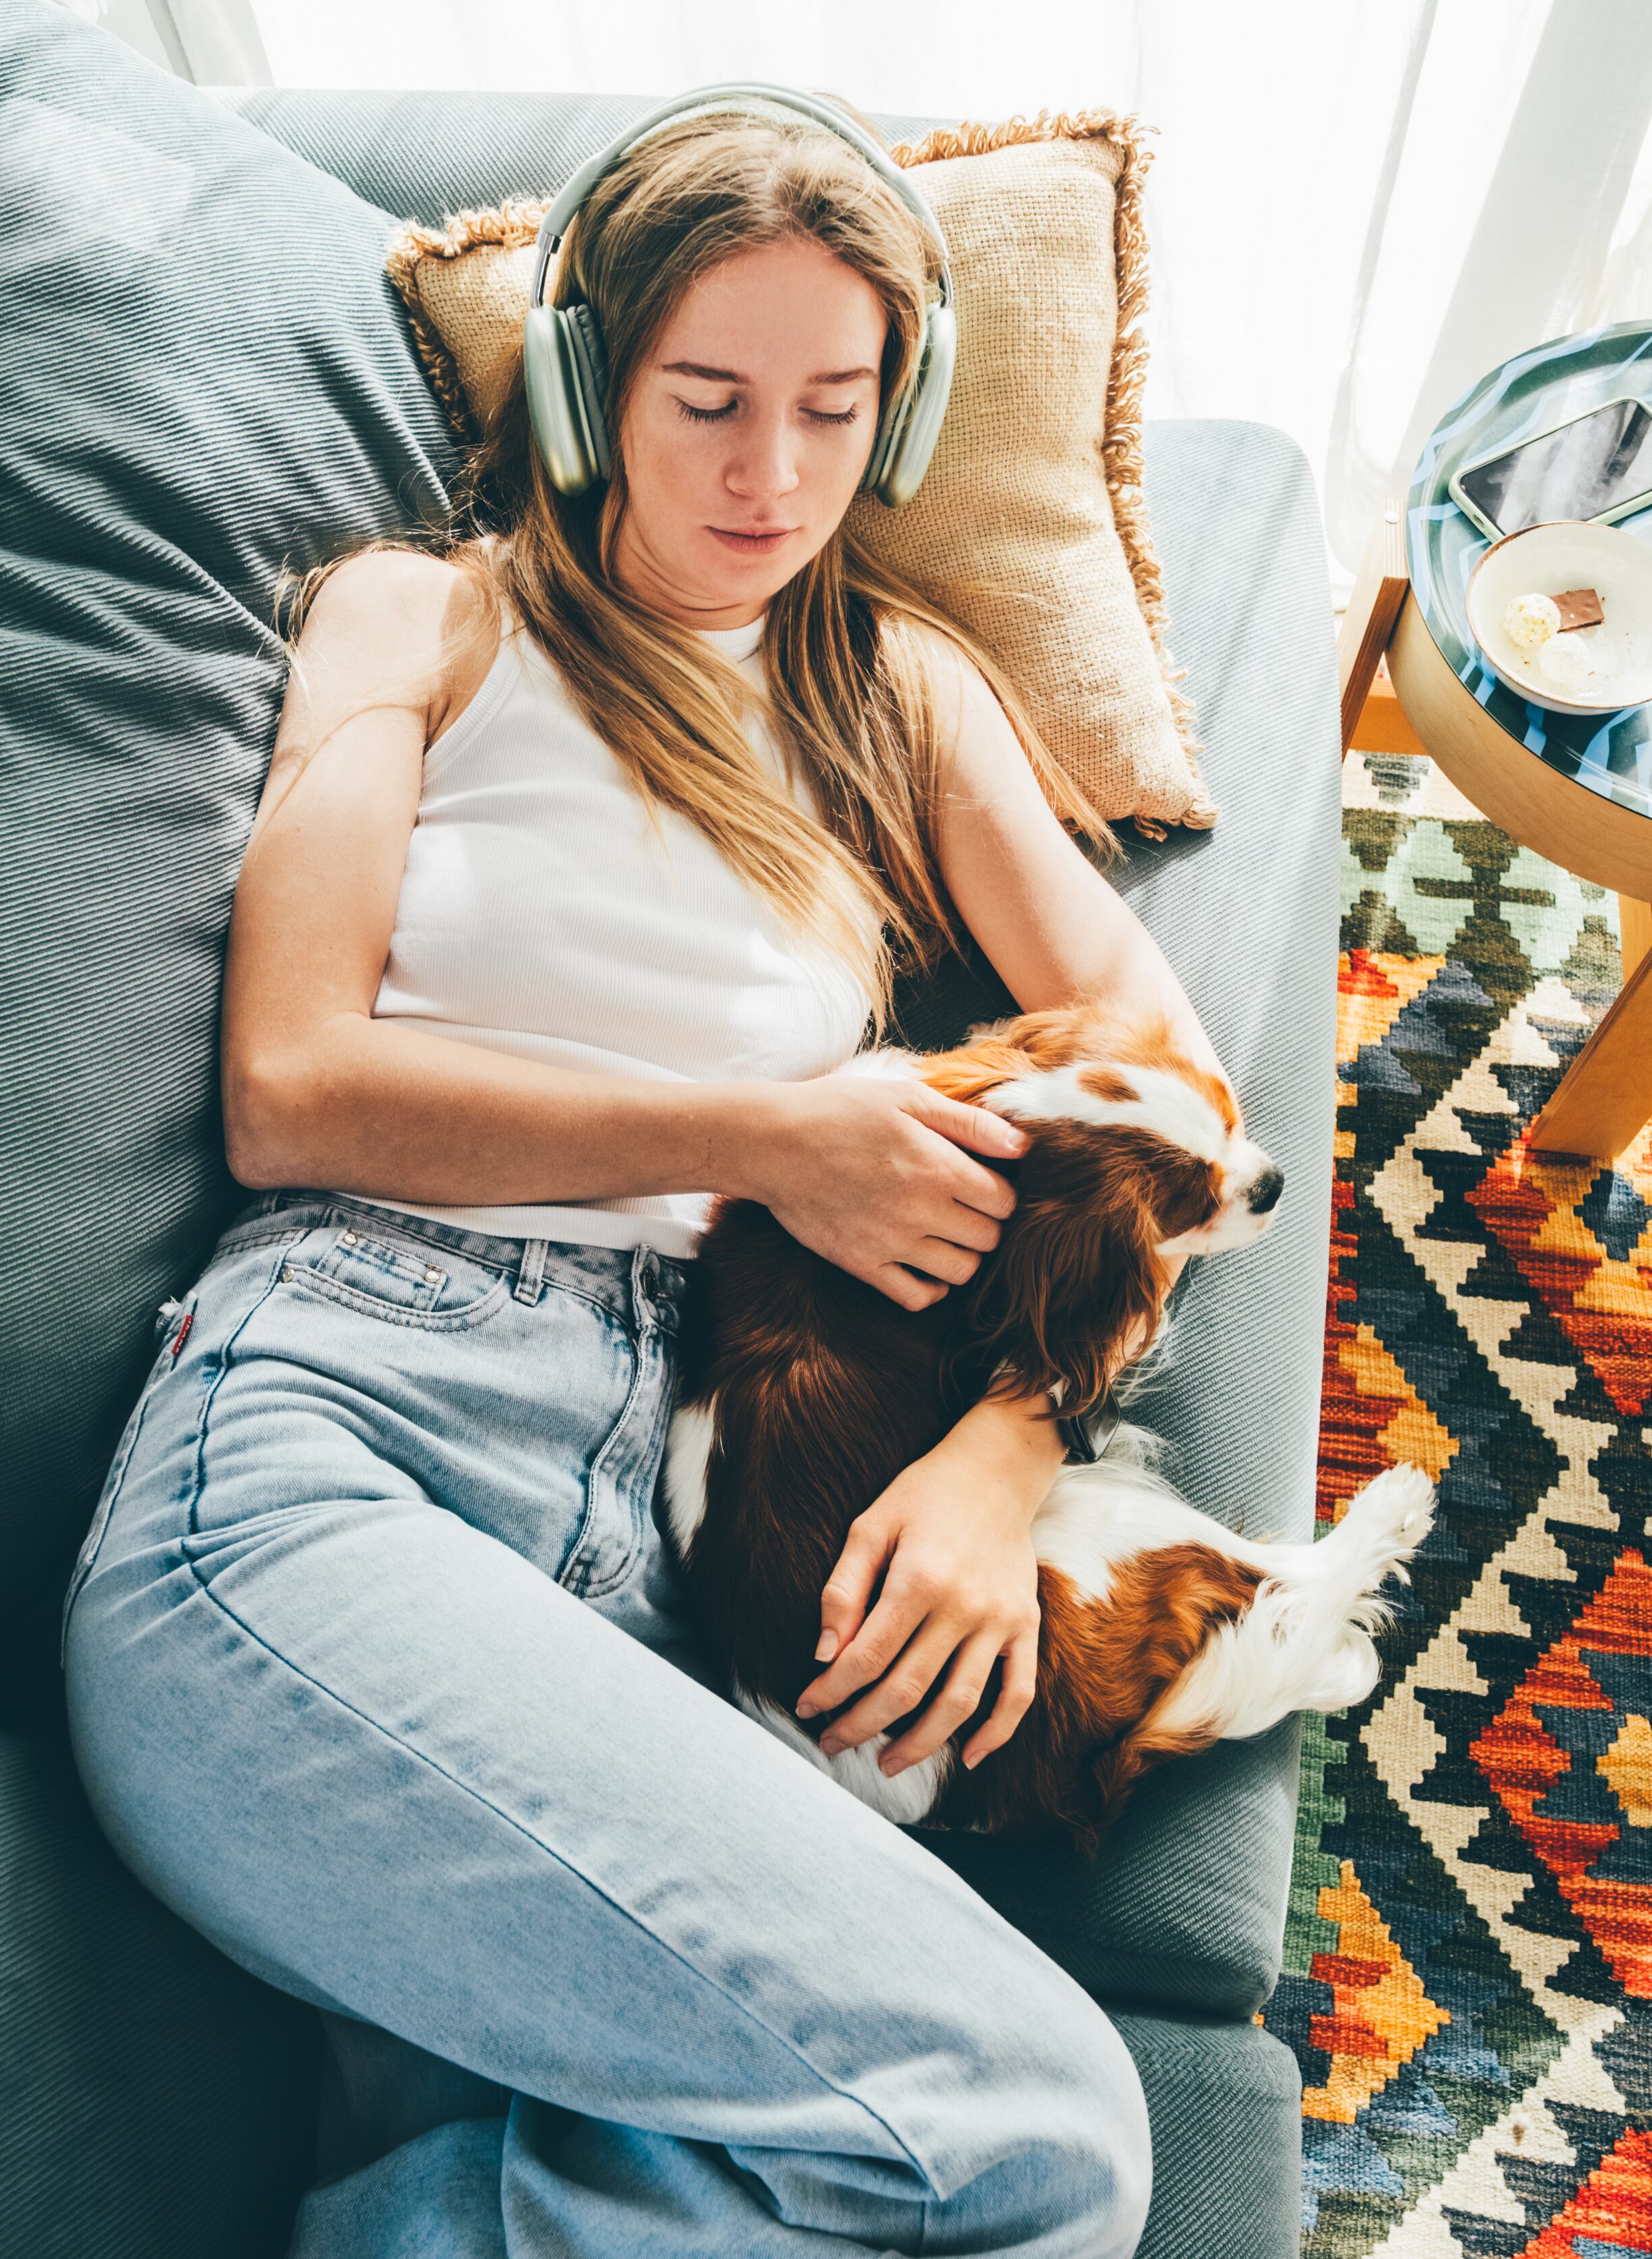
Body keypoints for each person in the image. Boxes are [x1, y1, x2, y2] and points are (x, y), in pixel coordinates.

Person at [61, 85, 1229, 2256]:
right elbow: (292, 1087)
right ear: (589, 385)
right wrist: (764, 1137)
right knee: (1037, 2134)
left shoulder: (901, 691)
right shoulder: (422, 621)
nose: (769, 476)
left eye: (833, 411)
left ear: (904, 416)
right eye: (706, 402)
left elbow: (1171, 1083)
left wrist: (1011, 1441)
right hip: (343, 1427)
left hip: (683, 1544)